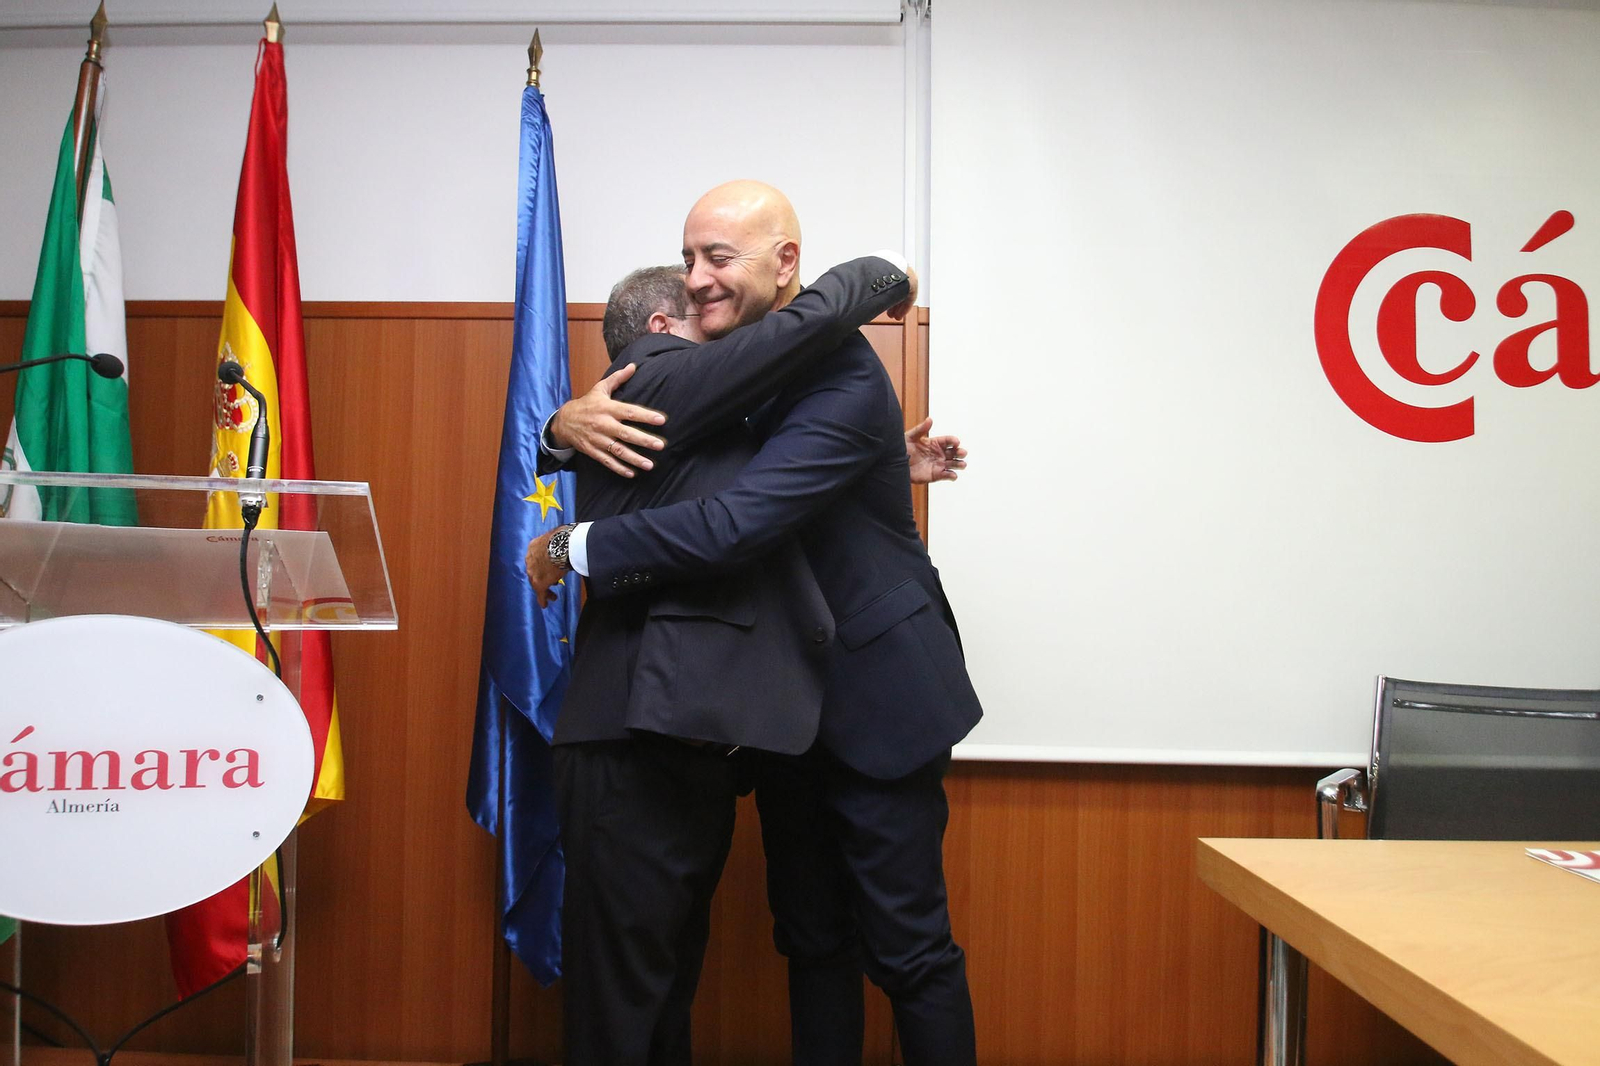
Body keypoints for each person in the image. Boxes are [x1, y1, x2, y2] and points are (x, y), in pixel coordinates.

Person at [529, 180, 982, 1066]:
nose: (695, 278)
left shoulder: (847, 374)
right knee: (810, 941)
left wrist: (573, 545)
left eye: (718, 258)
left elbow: (738, 522)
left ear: (786, 266)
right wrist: (558, 424)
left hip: (879, 695)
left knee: (909, 950)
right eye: (688, 257)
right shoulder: (728, 363)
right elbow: (672, 416)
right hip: (779, 710)